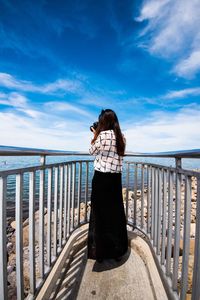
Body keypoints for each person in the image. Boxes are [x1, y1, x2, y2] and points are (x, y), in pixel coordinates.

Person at [87, 109, 128, 263]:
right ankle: (117, 251)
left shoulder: (102, 136)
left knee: (100, 216)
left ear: (103, 122)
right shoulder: (121, 137)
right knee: (115, 215)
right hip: (115, 180)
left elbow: (91, 151)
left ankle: (100, 252)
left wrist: (95, 134)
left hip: (101, 179)